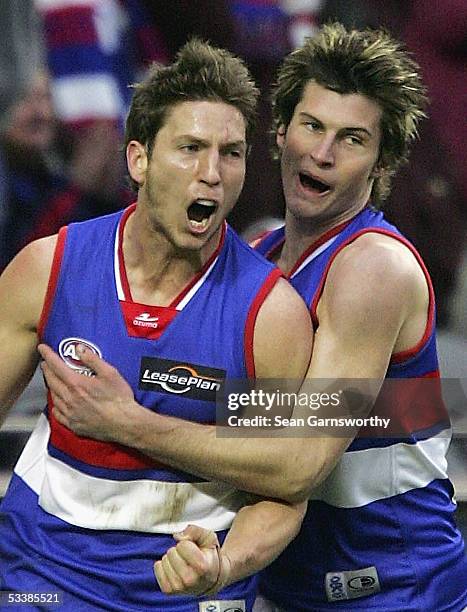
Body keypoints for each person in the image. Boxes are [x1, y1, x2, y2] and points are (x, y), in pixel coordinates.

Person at [34, 24, 467, 611]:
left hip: (393, 587)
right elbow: (260, 418)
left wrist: (128, 420)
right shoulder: (257, 264)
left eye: (352, 138)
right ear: (281, 131)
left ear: (381, 160)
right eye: (312, 127)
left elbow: (301, 462)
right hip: (287, 582)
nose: (322, 153)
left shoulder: (373, 270)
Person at [0, 39, 313, 611]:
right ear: (138, 160)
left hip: (188, 596)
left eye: (231, 153)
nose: (211, 174)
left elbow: (285, 492)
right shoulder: (48, 269)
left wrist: (223, 565)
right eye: (190, 148)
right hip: (41, 578)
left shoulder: (269, 316)